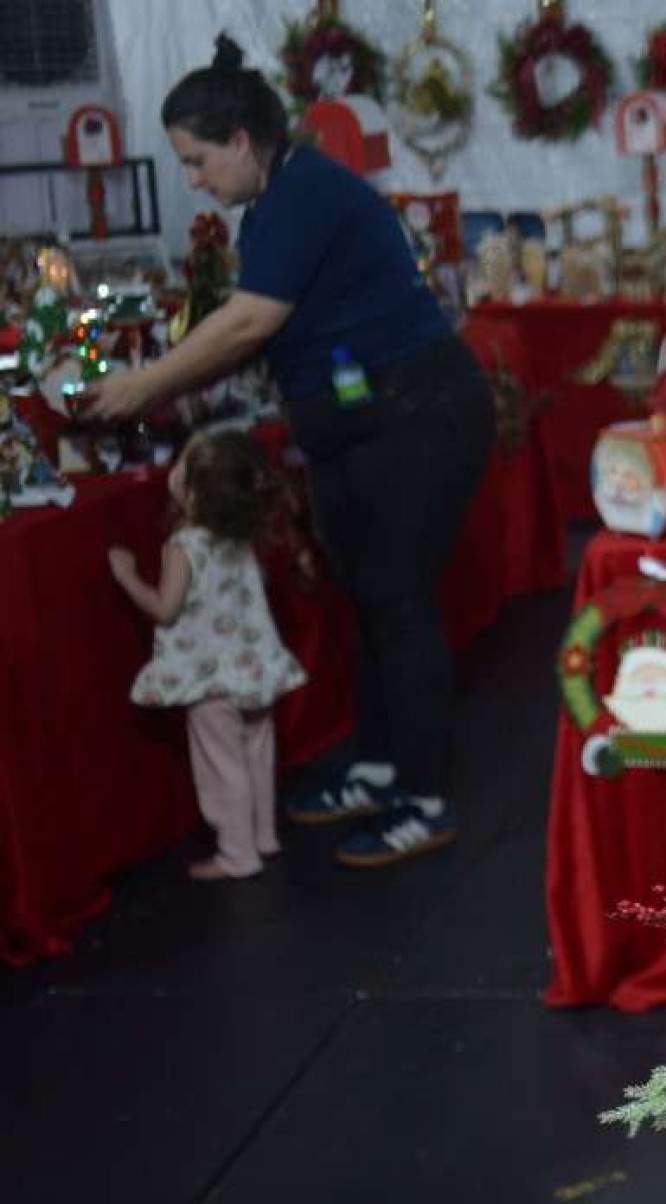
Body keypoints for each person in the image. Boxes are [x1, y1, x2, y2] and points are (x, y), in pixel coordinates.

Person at [89, 35, 493, 869]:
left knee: (400, 601)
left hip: (414, 417)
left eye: (197, 160)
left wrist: (146, 386)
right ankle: (381, 768)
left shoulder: (304, 192)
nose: (194, 179)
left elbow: (250, 322)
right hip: (357, 425)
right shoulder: (277, 203)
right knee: (366, 597)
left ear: (241, 142)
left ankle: (426, 799)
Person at [112, 429, 307, 881]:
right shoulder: (239, 535)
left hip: (211, 679)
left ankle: (237, 853)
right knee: (258, 753)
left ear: (195, 492)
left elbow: (165, 608)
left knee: (223, 765)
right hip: (256, 667)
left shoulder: (183, 546)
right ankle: (263, 835)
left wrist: (127, 577)